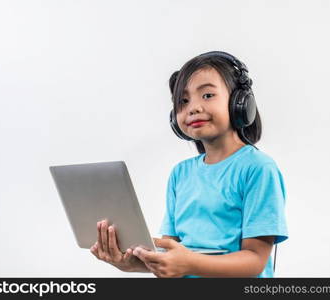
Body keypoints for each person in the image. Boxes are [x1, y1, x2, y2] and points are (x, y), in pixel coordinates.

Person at [90, 50, 288, 278]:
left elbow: (254, 260)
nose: (192, 107)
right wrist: (132, 263)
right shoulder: (180, 174)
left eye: (207, 95)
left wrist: (189, 263)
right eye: (183, 101)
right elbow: (172, 255)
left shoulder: (258, 169)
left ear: (240, 103)